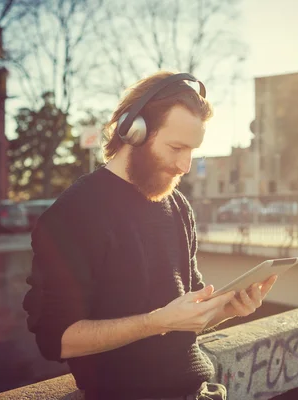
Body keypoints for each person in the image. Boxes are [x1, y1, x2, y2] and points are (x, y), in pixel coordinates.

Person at [22, 71, 278, 400]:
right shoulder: (73, 214)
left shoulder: (179, 208)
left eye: (193, 151)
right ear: (134, 132)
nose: (185, 166)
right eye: (176, 147)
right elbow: (56, 338)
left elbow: (185, 321)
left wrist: (231, 309)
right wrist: (155, 322)